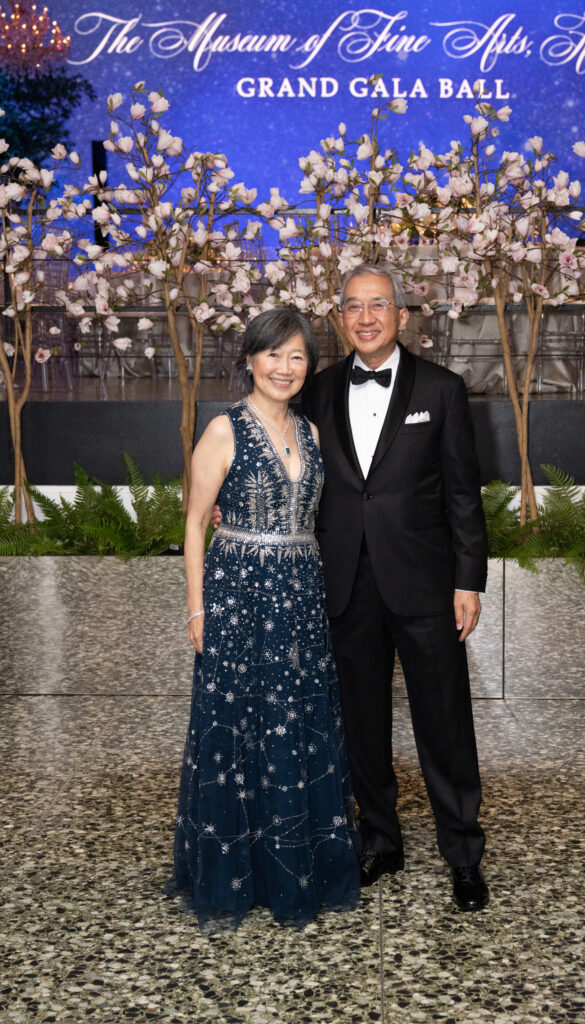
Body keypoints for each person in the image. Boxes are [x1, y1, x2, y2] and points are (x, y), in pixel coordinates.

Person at [165, 308, 360, 931]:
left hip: (299, 594)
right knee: (239, 727)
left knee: (294, 722)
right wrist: (197, 607)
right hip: (238, 596)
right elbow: (195, 523)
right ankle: (236, 871)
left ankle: (292, 866)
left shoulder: (310, 431)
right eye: (273, 354)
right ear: (250, 359)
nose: (285, 367)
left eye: (297, 356)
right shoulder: (224, 429)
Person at [303, 263, 490, 911]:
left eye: (378, 305)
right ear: (340, 318)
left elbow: (463, 494)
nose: (365, 317)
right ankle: (380, 839)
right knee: (361, 722)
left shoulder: (443, 389)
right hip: (345, 582)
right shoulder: (316, 391)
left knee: (445, 723)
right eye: (353, 306)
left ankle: (463, 855)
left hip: (425, 585)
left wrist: (468, 580)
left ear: (401, 316)